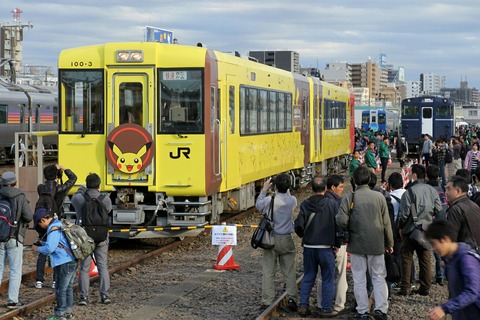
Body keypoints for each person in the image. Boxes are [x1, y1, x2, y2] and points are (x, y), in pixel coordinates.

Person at [336, 166, 393, 320]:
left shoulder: (350, 197)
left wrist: (348, 225)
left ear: (354, 181)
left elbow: (341, 220)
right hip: (377, 244)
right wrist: (389, 242)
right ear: (369, 180)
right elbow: (386, 223)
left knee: (359, 278)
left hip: (357, 244)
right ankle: (381, 309)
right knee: (379, 277)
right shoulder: (379, 197)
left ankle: (362, 311)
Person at [294, 177, 338, 317]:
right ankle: (326, 308)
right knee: (328, 278)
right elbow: (338, 226)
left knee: (308, 276)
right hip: (326, 247)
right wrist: (337, 243)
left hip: (309, 246)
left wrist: (304, 236)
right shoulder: (332, 204)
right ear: (325, 189)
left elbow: (298, 225)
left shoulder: (305, 204)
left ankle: (303, 306)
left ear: (312, 189)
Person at [397, 164, 442, 296]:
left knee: (406, 258)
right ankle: (425, 287)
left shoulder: (409, 192)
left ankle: (405, 287)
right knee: (425, 258)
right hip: (426, 229)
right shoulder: (432, 190)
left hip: (410, 229)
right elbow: (438, 209)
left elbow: (404, 214)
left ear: (415, 175)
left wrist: (400, 227)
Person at [255, 174, 298, 311]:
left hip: (271, 239)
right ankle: (292, 299)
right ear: (289, 186)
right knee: (289, 271)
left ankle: (267, 300)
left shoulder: (269, 200)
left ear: (275, 187)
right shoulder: (293, 200)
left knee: (268, 271)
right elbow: (287, 194)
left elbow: (258, 205)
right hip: (286, 239)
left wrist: (264, 189)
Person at [71, 173, 113, 305]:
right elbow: (109, 210)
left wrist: (82, 189)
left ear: (87, 184)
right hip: (101, 237)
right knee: (102, 266)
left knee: (84, 268)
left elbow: (74, 199)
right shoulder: (105, 199)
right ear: (99, 185)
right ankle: (105, 295)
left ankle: (84, 297)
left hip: (84, 237)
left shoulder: (79, 198)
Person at [425, 220, 480, 320]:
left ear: (445, 239)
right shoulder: (451, 259)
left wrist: (444, 308)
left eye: (434, 243)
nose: (433, 248)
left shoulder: (466, 258)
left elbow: (472, 291)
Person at [35, 164, 77, 289]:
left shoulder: (40, 188)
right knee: (57, 249)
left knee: (43, 249)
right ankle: (55, 280)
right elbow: (73, 178)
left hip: (43, 221)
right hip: (55, 222)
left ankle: (39, 280)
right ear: (57, 177)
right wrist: (64, 169)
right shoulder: (60, 189)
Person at [32, 208, 76, 320]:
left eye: (39, 224)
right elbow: (57, 243)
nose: (40, 227)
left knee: (60, 289)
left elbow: (50, 249)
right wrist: (44, 243)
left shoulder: (53, 229)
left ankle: (60, 315)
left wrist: (37, 248)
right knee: (68, 288)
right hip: (71, 260)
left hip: (63, 262)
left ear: (43, 220)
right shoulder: (59, 224)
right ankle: (68, 313)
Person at [0, 171, 33, 309]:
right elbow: (28, 217)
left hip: (0, 237)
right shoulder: (20, 196)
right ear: (15, 183)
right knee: (15, 269)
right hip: (15, 237)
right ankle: (12, 301)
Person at [318, 174, 348, 315]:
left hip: (323, 244)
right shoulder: (340, 203)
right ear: (333, 187)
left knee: (322, 275)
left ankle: (321, 303)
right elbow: (343, 223)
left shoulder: (320, 201)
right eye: (341, 187)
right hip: (338, 243)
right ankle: (339, 304)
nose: (342, 189)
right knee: (341, 274)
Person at [425, 165, 449, 286]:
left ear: (426, 176)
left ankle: (438, 275)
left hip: (432, 221)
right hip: (443, 220)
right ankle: (442, 274)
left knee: (432, 250)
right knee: (441, 248)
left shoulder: (428, 189)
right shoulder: (441, 188)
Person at [445, 175, 480, 250]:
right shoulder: (474, 205)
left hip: (463, 253)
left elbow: (451, 237)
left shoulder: (455, 209)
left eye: (448, 189)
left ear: (458, 191)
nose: (446, 193)